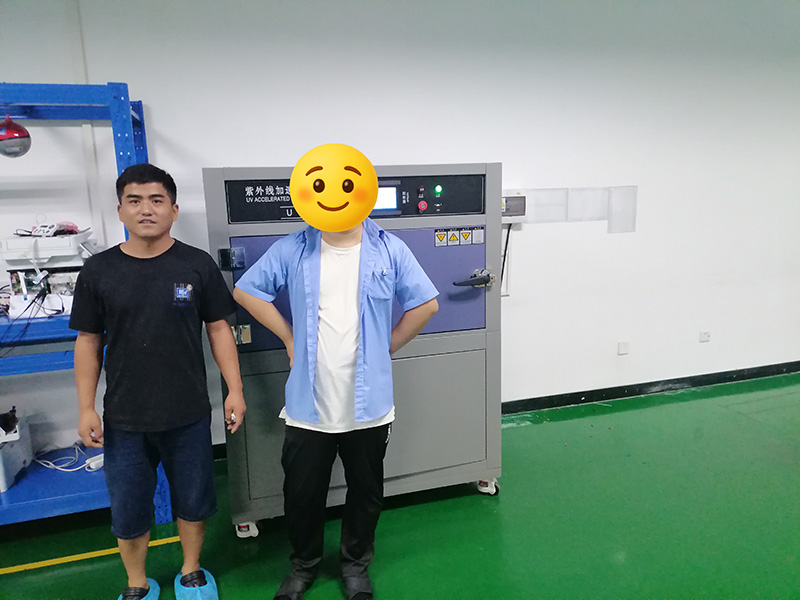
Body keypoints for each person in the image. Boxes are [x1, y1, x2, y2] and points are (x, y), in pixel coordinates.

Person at [233, 143, 439, 600]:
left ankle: (355, 566)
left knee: (366, 492)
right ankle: (303, 566)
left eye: (345, 184)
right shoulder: (293, 248)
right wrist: (288, 337)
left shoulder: (390, 249)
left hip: (369, 406)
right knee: (301, 494)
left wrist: (387, 346)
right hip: (309, 406)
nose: (334, 195)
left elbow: (426, 304)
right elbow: (247, 291)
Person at [70, 163, 246, 600]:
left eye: (156, 200)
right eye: (134, 200)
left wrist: (235, 390)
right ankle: (136, 581)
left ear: (173, 210)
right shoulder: (98, 271)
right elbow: (88, 342)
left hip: (188, 412)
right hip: (125, 418)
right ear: (120, 210)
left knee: (194, 499)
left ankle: (191, 571)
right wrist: (86, 407)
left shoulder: (196, 264)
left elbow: (219, 329)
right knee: (129, 507)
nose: (145, 209)